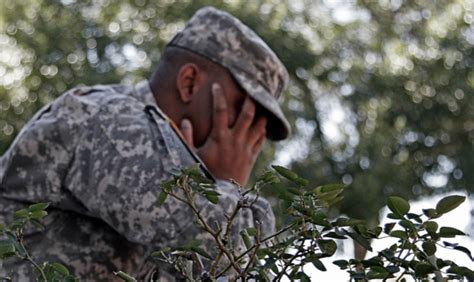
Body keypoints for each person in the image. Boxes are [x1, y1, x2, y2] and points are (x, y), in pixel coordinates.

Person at [0, 6, 290, 280]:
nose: (248, 136)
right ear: (189, 82)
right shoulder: (109, 119)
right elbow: (228, 251)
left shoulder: (175, 167)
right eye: (244, 114)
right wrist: (227, 186)